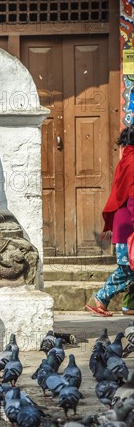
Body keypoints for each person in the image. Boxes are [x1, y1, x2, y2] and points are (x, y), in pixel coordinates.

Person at [85, 124, 134, 316]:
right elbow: (132, 196)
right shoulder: (132, 162)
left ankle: (128, 305)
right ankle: (101, 297)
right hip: (128, 223)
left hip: (124, 221)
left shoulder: (127, 159)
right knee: (128, 268)